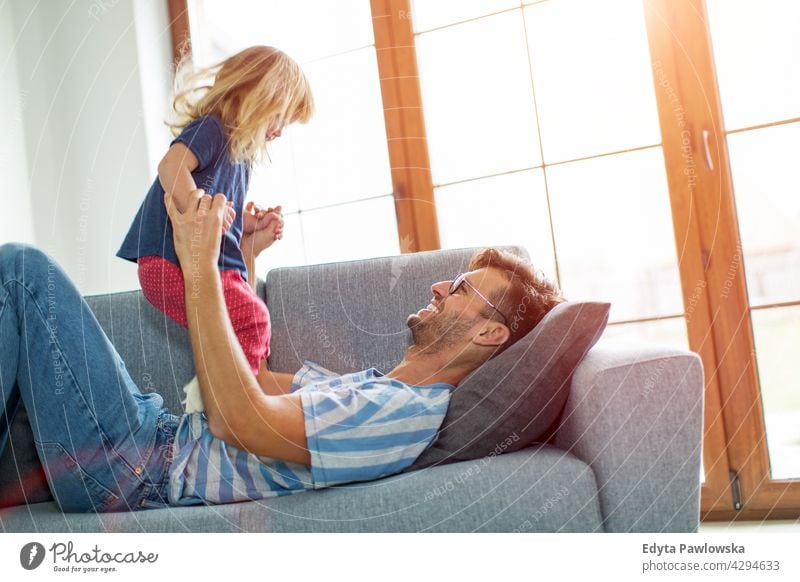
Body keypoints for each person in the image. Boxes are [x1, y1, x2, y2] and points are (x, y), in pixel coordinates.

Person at [0, 191, 563, 512]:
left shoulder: (403, 417)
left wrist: (198, 265)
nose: (440, 286)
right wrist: (239, 259)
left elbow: (235, 419)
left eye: (461, 288)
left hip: (136, 467)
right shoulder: (376, 389)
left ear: (490, 334)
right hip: (149, 435)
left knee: (23, 275)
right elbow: (252, 378)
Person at [116, 45, 314, 404]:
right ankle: (242, 406)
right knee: (251, 319)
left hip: (203, 264)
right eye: (281, 117)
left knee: (238, 324)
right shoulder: (213, 129)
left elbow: (223, 231)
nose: (281, 131)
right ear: (259, 98)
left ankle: (233, 399)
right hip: (169, 262)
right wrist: (202, 205)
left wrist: (249, 226)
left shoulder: (241, 158)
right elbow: (171, 168)